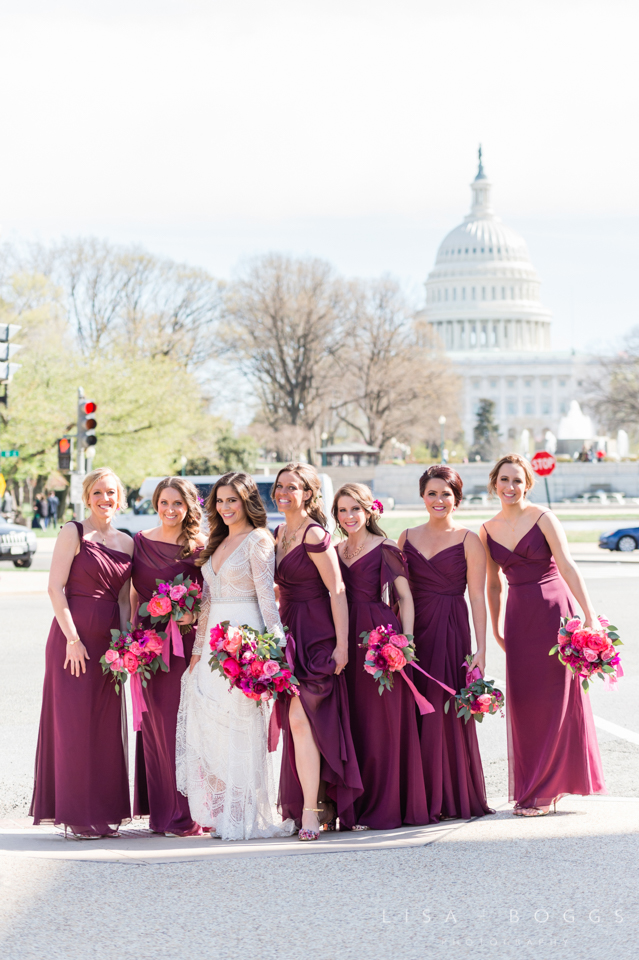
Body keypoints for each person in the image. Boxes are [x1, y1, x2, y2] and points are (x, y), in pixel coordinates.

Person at [479, 453, 606, 816]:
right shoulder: (486, 530)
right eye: (504, 480)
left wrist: (590, 616)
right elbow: (492, 585)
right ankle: (534, 784)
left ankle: (547, 789)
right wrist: (497, 625)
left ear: (527, 484)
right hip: (519, 618)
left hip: (555, 614)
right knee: (525, 702)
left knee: (557, 699)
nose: (510, 487)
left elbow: (567, 564)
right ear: (494, 483)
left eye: (517, 480)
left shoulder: (544, 517)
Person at [176, 472, 295, 840]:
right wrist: (197, 652)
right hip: (213, 643)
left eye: (233, 500)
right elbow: (209, 601)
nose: (226, 507)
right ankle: (220, 812)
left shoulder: (258, 539)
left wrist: (273, 651)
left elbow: (266, 599)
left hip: (246, 641)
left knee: (241, 727)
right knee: (209, 724)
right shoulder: (217, 542)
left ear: (246, 502)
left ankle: (241, 817)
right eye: (221, 501)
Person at [30, 468, 134, 838]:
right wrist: (73, 639)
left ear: (119, 498)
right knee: (74, 727)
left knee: (104, 729)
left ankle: (103, 811)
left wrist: (126, 648)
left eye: (111, 493)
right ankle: (75, 814)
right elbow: (55, 588)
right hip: (71, 644)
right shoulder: (73, 532)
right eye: (98, 492)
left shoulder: (127, 542)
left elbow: (124, 600)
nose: (105, 499)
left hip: (109, 649)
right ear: (87, 496)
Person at [273, 463, 362, 841]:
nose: (284, 493)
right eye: (280, 487)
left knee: (300, 719)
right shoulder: (279, 532)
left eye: (293, 487)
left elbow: (337, 591)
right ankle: (311, 806)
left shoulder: (314, 534)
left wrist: (341, 645)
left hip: (318, 636)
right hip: (288, 631)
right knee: (300, 724)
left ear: (308, 493)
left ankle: (311, 812)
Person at [398, 465, 492, 822]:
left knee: (444, 706)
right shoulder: (405, 537)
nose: (439, 500)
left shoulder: (469, 540)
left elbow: (479, 599)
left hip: (452, 629)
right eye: (432, 493)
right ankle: (419, 796)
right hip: (414, 631)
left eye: (446, 494)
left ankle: (448, 795)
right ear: (422, 497)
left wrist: (481, 649)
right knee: (414, 707)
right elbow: (396, 593)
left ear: (457, 498)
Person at [333, 483, 430, 830]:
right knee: (356, 721)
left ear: (369, 510)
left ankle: (387, 805)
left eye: (355, 509)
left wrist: (404, 644)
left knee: (383, 722)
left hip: (378, 635)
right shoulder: (337, 549)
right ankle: (356, 808)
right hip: (345, 636)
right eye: (342, 510)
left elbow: (405, 597)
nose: (349, 516)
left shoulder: (385, 546)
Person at [131, 477, 206, 837]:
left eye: (178, 503)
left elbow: (213, 595)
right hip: (148, 645)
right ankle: (162, 811)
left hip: (185, 646)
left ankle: (188, 812)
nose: (170, 510)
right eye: (164, 502)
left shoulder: (200, 547)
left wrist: (193, 615)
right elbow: (133, 594)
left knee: (185, 725)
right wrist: (131, 638)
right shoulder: (140, 542)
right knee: (156, 724)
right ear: (156, 503)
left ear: (189, 506)